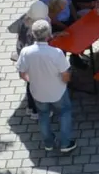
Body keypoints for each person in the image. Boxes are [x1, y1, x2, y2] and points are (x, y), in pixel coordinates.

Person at [18, 20, 74, 154]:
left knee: (43, 115)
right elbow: (65, 75)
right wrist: (65, 82)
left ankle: (48, 143)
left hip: (38, 92)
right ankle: (65, 144)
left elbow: (22, 73)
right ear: (49, 34)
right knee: (64, 113)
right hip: (58, 91)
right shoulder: (56, 53)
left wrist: (32, 81)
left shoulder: (26, 52)